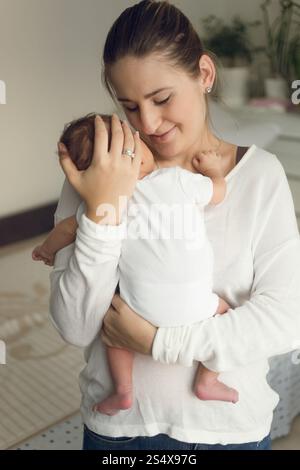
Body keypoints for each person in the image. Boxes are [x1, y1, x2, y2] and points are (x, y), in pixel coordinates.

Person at [49, 0, 300, 451]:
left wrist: (160, 343)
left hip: (230, 433)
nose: (148, 124)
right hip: (119, 436)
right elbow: (76, 327)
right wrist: (104, 211)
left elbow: (284, 321)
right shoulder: (100, 174)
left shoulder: (259, 178)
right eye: (129, 107)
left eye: (162, 99)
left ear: (204, 74)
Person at [33, 112, 240, 415]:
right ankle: (207, 380)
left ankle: (123, 392)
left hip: (138, 312)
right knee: (225, 312)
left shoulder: (106, 204)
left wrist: (45, 249)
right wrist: (212, 171)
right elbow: (219, 193)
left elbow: (65, 230)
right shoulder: (177, 181)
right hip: (198, 309)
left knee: (113, 331)